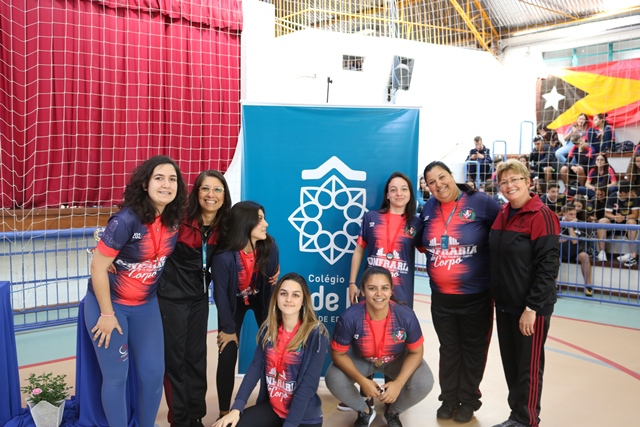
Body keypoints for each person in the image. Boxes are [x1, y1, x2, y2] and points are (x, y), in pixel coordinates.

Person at [84, 155, 187, 427]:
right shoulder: (125, 221)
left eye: (172, 179)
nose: (166, 184)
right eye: (159, 178)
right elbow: (97, 267)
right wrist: (107, 314)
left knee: (153, 376)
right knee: (116, 378)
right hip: (110, 307)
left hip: (146, 307)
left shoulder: (174, 220)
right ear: (145, 184)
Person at [421, 161, 500, 423]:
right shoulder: (429, 208)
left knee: (473, 350)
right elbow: (420, 240)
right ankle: (449, 399)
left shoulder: (480, 202)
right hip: (441, 298)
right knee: (449, 349)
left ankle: (468, 400)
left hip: (476, 296)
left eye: (442, 177)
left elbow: (505, 229)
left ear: (452, 176)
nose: (438, 184)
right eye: (431, 182)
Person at [489, 159, 560, 427]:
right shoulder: (503, 213)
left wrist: (532, 308)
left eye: (515, 180)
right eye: (504, 182)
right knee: (512, 364)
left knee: (528, 367)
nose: (510, 185)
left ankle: (527, 420)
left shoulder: (542, 215)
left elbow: (548, 268)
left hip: (530, 308)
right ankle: (515, 415)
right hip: (505, 304)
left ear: (528, 182)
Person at [157, 170, 231, 427]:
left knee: (197, 358)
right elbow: (139, 226)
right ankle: (179, 419)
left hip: (199, 299)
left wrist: (271, 262)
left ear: (224, 195)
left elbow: (253, 236)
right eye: (205, 188)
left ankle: (196, 415)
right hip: (171, 298)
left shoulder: (225, 225)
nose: (211, 195)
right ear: (196, 192)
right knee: (175, 360)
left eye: (217, 189)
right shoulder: (178, 218)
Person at [212, 273, 329, 427]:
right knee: (232, 424)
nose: (288, 299)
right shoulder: (268, 330)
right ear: (276, 298)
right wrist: (236, 408)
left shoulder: (316, 334)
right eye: (283, 293)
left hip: (302, 418)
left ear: (303, 301)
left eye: (295, 295)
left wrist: (290, 425)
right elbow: (255, 369)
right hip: (274, 410)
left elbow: (308, 385)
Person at [326, 266, 434, 427]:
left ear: (391, 291)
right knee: (333, 378)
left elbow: (416, 352)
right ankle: (365, 411)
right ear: (363, 291)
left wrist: (398, 383)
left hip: (395, 359)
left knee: (424, 382)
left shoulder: (406, 316)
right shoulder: (350, 317)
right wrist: (363, 381)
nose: (379, 294)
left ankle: (392, 413)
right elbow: (337, 354)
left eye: (384, 288)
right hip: (362, 359)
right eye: (372, 288)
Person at [211, 201, 280, 419]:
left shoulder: (270, 246)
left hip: (261, 299)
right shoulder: (224, 256)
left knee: (272, 348)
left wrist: (271, 322)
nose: (266, 224)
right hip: (234, 302)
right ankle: (224, 412)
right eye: (259, 219)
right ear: (244, 223)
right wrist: (228, 329)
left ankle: (269, 404)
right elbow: (220, 295)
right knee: (227, 351)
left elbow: (270, 286)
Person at [348, 172, 422, 308]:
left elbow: (429, 251)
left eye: (404, 189)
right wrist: (352, 283)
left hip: (401, 293)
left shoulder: (416, 223)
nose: (399, 193)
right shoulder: (371, 217)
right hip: (372, 289)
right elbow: (359, 250)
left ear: (410, 193)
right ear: (387, 195)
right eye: (393, 190)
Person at [595, 180, 639, 265]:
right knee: (602, 221)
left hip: (627, 220)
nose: (633, 193)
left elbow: (635, 215)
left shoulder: (635, 198)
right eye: (631, 191)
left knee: (632, 222)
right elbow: (607, 213)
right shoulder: (612, 196)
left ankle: (631, 254)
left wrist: (623, 217)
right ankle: (602, 252)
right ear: (623, 193)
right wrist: (615, 217)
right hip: (613, 221)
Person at [559, 205, 593, 297]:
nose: (574, 217)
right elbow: (555, 240)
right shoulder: (557, 221)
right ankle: (554, 286)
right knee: (553, 256)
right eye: (571, 214)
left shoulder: (579, 224)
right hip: (560, 251)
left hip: (575, 252)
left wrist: (570, 226)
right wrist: (568, 238)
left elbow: (574, 241)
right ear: (564, 214)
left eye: (575, 214)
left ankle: (588, 286)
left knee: (585, 256)